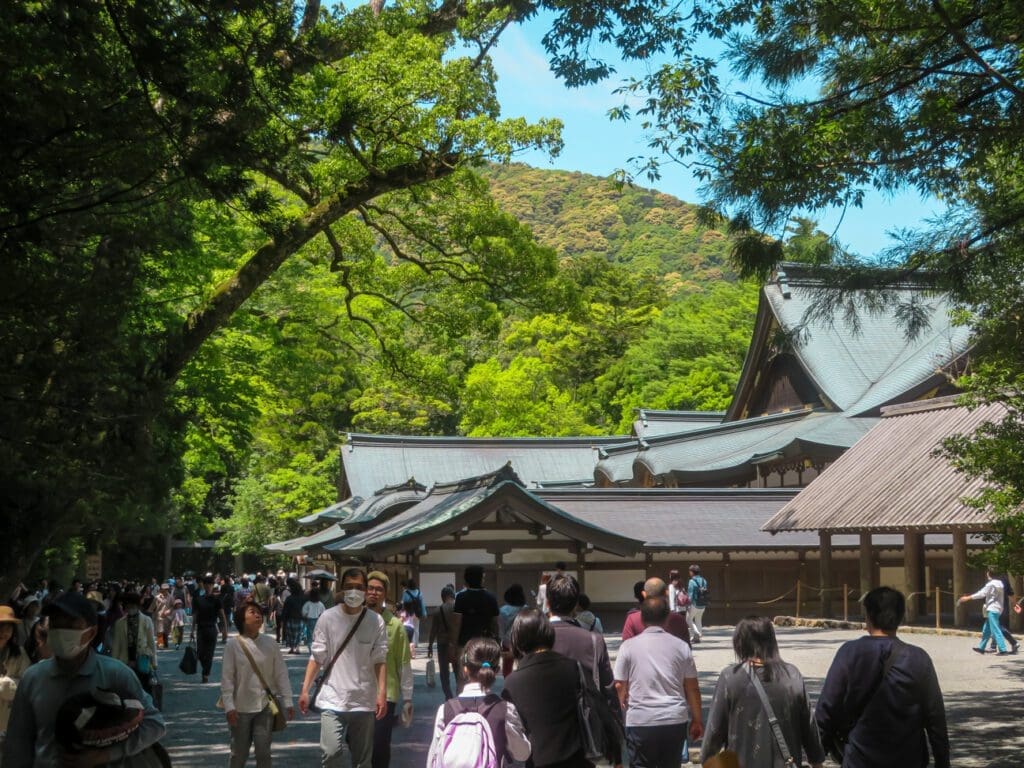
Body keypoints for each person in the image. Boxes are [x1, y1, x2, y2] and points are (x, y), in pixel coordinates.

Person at [2, 592, 165, 767]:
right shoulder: (33, 678)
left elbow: (154, 724)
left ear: (91, 632)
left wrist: (107, 754)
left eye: (71, 625)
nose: (61, 631)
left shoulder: (116, 674)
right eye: (56, 624)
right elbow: (17, 744)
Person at [816, 586, 949, 768]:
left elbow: (827, 708)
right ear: (900, 617)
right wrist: (942, 761)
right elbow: (935, 718)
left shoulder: (849, 653)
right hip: (909, 759)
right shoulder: (919, 658)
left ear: (868, 616)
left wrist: (817, 756)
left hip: (860, 757)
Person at [700, 617, 824, 768]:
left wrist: (706, 758)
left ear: (740, 643)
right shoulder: (792, 675)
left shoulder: (730, 677)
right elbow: (809, 727)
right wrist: (817, 760)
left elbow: (714, 730)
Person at [298, 567, 387, 768]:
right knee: (331, 753)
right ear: (341, 589)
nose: (354, 591)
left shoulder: (376, 621)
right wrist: (305, 689)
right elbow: (317, 656)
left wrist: (382, 693)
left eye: (359, 587)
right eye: (349, 587)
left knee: (363, 761)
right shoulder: (328, 618)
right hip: (332, 698)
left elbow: (380, 660)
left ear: (365, 590)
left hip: (364, 699)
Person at [614, 598, 702, 768]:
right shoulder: (681, 646)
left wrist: (620, 714)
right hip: (673, 718)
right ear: (667, 617)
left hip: (640, 720)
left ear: (641, 618)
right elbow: (692, 688)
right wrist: (697, 719)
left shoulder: (628, 647)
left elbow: (619, 686)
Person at [547, 575, 622, 767]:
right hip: (586, 730)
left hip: (545, 730)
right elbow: (608, 688)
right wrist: (616, 733)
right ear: (575, 606)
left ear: (547, 603)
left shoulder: (536, 638)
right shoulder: (593, 640)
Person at [502, 609, 591, 768]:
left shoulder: (512, 682)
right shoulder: (573, 667)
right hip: (578, 759)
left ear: (518, 639)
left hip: (539, 761)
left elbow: (515, 732)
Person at [426, 637, 531, 768]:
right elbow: (522, 754)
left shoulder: (445, 710)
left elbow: (433, 758)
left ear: (465, 669)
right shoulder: (505, 710)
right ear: (496, 670)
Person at [221, 599, 293, 768]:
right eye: (252, 612)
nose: (257, 615)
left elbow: (281, 674)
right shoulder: (233, 645)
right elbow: (227, 678)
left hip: (265, 706)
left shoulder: (271, 643)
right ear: (242, 619)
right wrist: (229, 706)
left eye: (259, 612)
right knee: (239, 753)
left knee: (263, 752)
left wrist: (288, 701)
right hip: (240, 708)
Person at [365, 571, 413, 768]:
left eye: (379, 589)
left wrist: (408, 698)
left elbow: (404, 662)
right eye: (370, 588)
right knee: (357, 742)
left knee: (380, 744)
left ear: (385, 594)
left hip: (386, 694)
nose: (374, 593)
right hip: (357, 692)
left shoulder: (394, 625)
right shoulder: (355, 621)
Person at [452, 565, 499, 690]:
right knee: (484, 676)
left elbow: (457, 624)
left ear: (466, 580)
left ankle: (461, 705)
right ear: (481, 579)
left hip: (464, 644)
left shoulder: (461, 598)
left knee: (463, 677)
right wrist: (497, 642)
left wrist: (453, 645)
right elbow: (495, 624)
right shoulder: (491, 598)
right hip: (485, 644)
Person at [110, 593, 158, 694]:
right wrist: (113, 665)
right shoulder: (119, 623)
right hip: (125, 662)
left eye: (132, 607)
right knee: (127, 692)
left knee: (145, 690)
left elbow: (151, 642)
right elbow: (116, 645)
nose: (130, 609)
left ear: (138, 606)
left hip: (143, 661)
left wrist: (154, 663)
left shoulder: (147, 620)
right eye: (128, 607)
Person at [959, 569, 1012, 654]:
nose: (987, 575)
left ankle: (1003, 649)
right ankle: (981, 647)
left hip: (992, 608)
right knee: (986, 629)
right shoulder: (1000, 584)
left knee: (995, 629)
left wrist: (968, 598)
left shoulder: (991, 584)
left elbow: (981, 593)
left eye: (987, 574)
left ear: (989, 575)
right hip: (998, 608)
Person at [622, 578, 689, 645]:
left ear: (644, 594)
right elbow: (686, 650)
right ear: (666, 593)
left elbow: (626, 648)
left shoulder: (632, 619)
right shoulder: (679, 620)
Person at [1, 606, 31, 744]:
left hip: (7, 718)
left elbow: (27, 682)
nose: (4, 632)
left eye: (9, 628)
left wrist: (7, 685)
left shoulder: (19, 653)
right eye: (1, 627)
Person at [193, 574, 229, 684]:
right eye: (206, 584)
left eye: (210, 584)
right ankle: (205, 670)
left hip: (212, 628)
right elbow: (195, 615)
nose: (208, 586)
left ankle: (205, 674)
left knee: (209, 654)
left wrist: (225, 631)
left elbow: (222, 615)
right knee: (200, 653)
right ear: (203, 585)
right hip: (201, 628)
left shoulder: (217, 600)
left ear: (213, 585)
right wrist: (192, 630)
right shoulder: (198, 599)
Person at [427, 586, 458, 700]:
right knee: (458, 671)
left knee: (444, 673)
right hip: (456, 644)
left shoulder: (438, 610)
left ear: (443, 597)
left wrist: (430, 645)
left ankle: (448, 697)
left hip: (443, 644)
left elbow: (433, 630)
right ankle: (460, 694)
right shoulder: (458, 608)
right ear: (452, 595)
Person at [498, 584, 527, 677]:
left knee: (507, 666)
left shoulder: (503, 611)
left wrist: (500, 642)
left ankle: (508, 684)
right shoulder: (527, 609)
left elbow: (501, 629)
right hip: (523, 641)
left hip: (508, 642)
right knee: (524, 664)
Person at [399, 580, 427, 655]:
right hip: (417, 613)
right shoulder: (419, 593)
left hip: (409, 613)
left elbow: (403, 603)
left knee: (410, 627)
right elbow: (422, 604)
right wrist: (424, 613)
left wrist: (401, 612)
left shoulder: (406, 593)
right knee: (416, 628)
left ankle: (412, 644)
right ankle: (416, 644)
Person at [281, 580, 306, 655]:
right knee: (299, 634)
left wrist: (283, 619)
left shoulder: (289, 598)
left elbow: (285, 609)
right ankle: (297, 648)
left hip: (290, 618)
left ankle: (292, 648)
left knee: (291, 634)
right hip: (300, 618)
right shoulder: (303, 598)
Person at [686, 565, 708, 643]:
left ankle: (697, 633)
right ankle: (697, 637)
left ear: (692, 572)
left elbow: (690, 594)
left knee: (688, 619)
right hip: (703, 604)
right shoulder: (704, 580)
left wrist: (688, 605)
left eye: (690, 571)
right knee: (698, 619)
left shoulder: (691, 581)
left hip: (694, 604)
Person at [301, 589, 326, 655]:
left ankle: (310, 649)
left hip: (310, 620)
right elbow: (324, 612)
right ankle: (317, 649)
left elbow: (303, 612)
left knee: (309, 635)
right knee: (317, 635)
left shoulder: (308, 603)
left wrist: (306, 615)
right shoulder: (320, 604)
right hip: (318, 620)